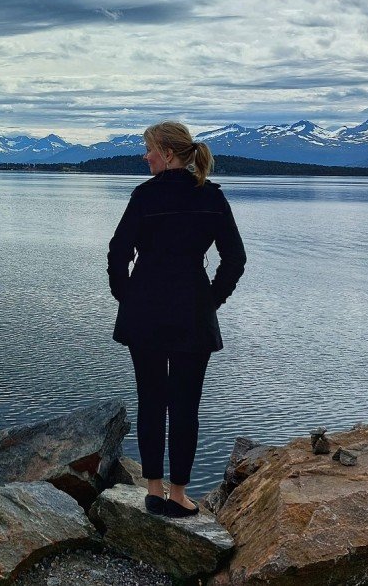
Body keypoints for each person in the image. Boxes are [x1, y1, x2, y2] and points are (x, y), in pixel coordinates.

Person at [107, 120, 246, 518]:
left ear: (167, 153)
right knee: (185, 405)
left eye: (149, 149)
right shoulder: (212, 197)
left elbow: (118, 252)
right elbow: (234, 259)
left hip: (144, 314)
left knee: (151, 400)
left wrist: (126, 297)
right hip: (192, 314)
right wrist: (211, 300)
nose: (144, 156)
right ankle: (179, 495)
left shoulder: (145, 197)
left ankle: (153, 489)